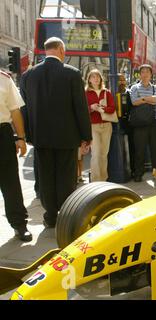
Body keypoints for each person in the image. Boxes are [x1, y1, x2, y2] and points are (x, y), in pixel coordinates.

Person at [20, 37, 92, 228]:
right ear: (60, 49)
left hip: (40, 137)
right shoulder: (72, 74)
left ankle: (50, 215)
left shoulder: (28, 75)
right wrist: (86, 136)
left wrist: (28, 135)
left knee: (45, 176)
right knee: (66, 176)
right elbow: (80, 108)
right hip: (67, 137)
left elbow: (24, 109)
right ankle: (65, 214)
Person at [0, 71, 31, 241]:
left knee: (10, 182)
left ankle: (19, 224)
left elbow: (15, 110)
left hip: (2, 133)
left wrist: (21, 137)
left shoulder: (3, 79)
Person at [129, 64, 156, 182]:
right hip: (140, 124)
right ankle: (138, 173)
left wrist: (143, 99)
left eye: (147, 72)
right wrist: (149, 99)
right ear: (140, 74)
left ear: (151, 74)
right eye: (143, 72)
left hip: (153, 123)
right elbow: (134, 102)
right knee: (139, 150)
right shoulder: (134, 88)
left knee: (155, 150)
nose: (145, 74)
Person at [85, 69, 115, 182]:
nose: (96, 78)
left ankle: (103, 179)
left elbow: (112, 109)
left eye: (97, 76)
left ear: (101, 78)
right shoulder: (85, 93)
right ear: (89, 79)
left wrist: (102, 109)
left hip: (107, 126)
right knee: (96, 154)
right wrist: (91, 108)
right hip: (93, 126)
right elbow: (82, 111)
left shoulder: (106, 92)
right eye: (93, 77)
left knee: (104, 154)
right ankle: (96, 181)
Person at [117, 73, 136, 178]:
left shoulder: (129, 93)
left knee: (132, 148)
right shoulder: (111, 93)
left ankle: (132, 170)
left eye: (123, 80)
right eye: (119, 80)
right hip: (116, 124)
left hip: (129, 124)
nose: (122, 82)